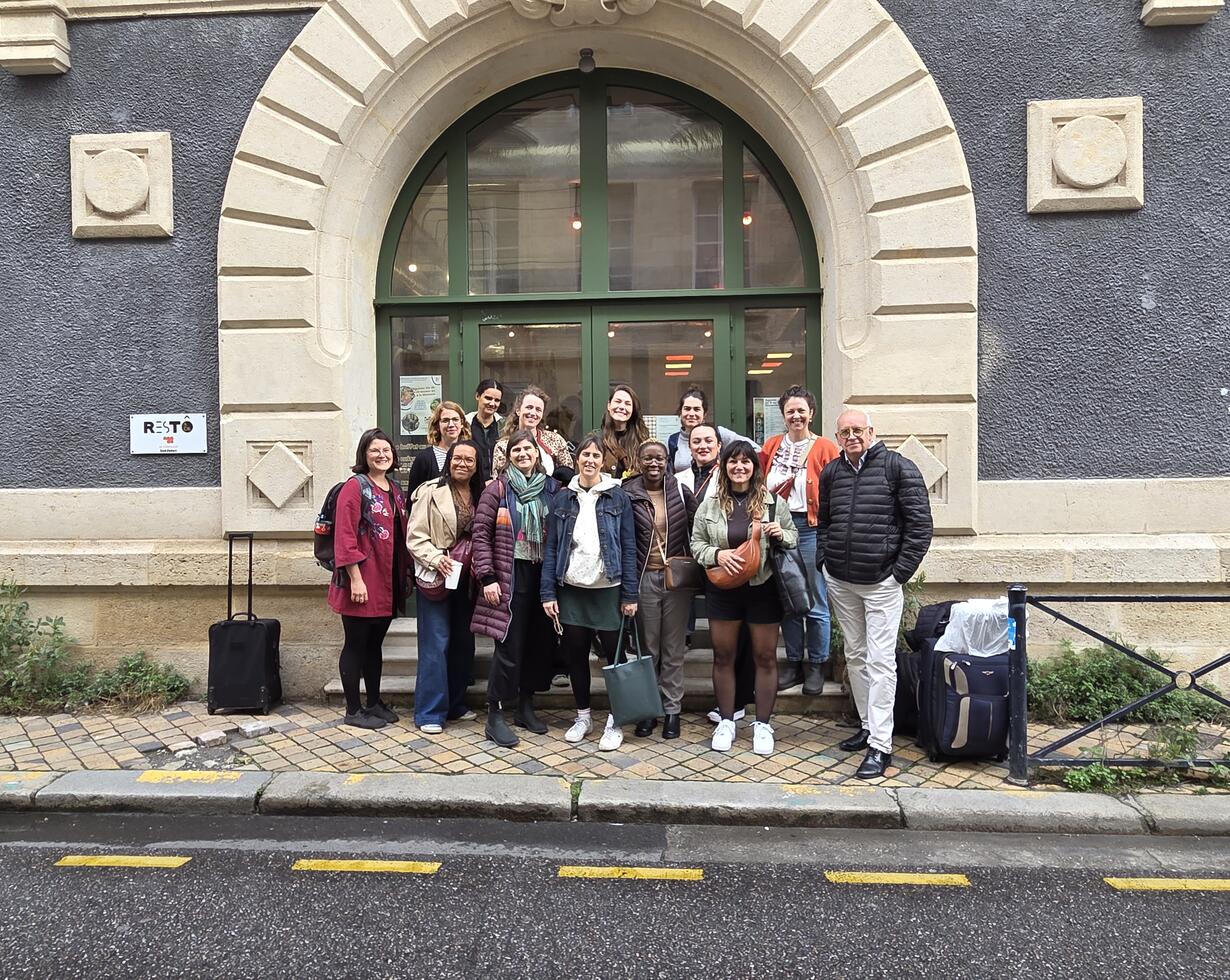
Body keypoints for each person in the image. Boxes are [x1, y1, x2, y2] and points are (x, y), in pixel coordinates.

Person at [818, 409, 934, 779]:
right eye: (844, 431)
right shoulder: (832, 472)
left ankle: (881, 747)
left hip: (882, 583)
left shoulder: (898, 468)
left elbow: (920, 527)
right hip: (841, 579)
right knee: (855, 654)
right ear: (837, 437)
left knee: (881, 661)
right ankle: (869, 727)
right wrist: (825, 560)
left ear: (871, 432)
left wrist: (897, 574)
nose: (851, 436)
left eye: (857, 430)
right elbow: (825, 522)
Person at [691, 440, 797, 756]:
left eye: (745, 462)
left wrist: (780, 533)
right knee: (723, 656)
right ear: (724, 467)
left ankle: (762, 725)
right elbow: (695, 545)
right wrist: (718, 554)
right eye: (733, 462)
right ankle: (727, 721)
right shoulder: (709, 506)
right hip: (723, 590)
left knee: (764, 657)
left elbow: (793, 538)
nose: (739, 467)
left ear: (754, 467)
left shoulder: (773, 503)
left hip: (763, 588)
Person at [541, 434, 639, 751]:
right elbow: (553, 547)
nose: (590, 460)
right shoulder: (562, 499)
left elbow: (628, 547)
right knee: (576, 655)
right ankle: (583, 716)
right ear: (576, 460)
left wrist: (630, 595)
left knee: (615, 658)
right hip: (571, 589)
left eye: (596, 455)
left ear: (602, 462)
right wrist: (548, 593)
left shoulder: (617, 497)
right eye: (585, 455)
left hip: (607, 588)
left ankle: (616, 719)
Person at [471, 429, 561, 748]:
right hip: (509, 575)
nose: (523, 454)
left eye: (528, 449)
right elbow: (480, 535)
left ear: (538, 453)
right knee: (508, 647)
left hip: (542, 575)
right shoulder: (497, 489)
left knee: (537, 644)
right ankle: (495, 715)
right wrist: (487, 577)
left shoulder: (551, 488)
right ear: (509, 456)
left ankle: (525, 706)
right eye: (516, 450)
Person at [327, 428, 410, 730]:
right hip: (361, 580)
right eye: (375, 450)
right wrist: (355, 579)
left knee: (375, 645)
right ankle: (353, 709)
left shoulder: (394, 489)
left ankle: (373, 702)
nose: (382, 455)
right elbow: (345, 536)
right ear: (364, 454)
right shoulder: (355, 486)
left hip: (387, 583)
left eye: (386, 450)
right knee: (355, 644)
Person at [760, 385, 840, 696]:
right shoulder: (771, 446)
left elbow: (835, 489)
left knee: (815, 598)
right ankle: (793, 662)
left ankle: (817, 664)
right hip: (777, 528)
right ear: (783, 415)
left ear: (811, 414)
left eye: (801, 410)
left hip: (810, 529)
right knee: (788, 598)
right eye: (790, 411)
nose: (796, 415)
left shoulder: (825, 448)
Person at [622, 440, 697, 739]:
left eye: (660, 458)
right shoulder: (628, 493)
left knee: (673, 649)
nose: (654, 463)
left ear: (668, 460)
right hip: (643, 580)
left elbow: (700, 525)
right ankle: (647, 711)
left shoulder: (679, 491)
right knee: (647, 651)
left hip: (675, 581)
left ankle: (672, 711)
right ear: (638, 461)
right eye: (648, 458)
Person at [407, 440, 482, 734]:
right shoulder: (430, 491)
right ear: (448, 461)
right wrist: (436, 559)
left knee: (464, 642)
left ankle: (455, 703)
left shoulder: (482, 493)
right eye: (457, 458)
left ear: (477, 466)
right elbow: (415, 537)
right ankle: (429, 711)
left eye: (469, 460)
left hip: (468, 579)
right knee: (435, 643)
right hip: (438, 574)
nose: (462, 464)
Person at [491, 385, 575, 481]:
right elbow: (499, 483)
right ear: (518, 410)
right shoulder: (503, 446)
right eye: (529, 407)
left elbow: (568, 475)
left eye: (538, 410)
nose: (533, 413)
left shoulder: (556, 440)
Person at [669, 387, 758, 474]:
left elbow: (756, 449)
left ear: (704, 414)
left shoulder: (719, 434)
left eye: (697, 409)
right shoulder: (673, 441)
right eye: (687, 409)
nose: (691, 413)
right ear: (680, 412)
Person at [406, 401, 471, 500]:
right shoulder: (424, 459)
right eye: (445, 420)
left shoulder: (471, 455)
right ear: (437, 426)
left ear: (462, 423)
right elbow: (413, 498)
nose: (451, 424)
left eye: (455, 419)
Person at [599, 383, 649, 479]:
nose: (622, 407)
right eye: (618, 401)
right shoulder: (596, 440)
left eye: (627, 404)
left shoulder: (642, 441)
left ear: (633, 410)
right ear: (609, 406)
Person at [466, 379, 504, 482]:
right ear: (477, 396)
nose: (492, 403)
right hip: (470, 485)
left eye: (497, 400)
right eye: (488, 398)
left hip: (498, 487)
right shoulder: (465, 424)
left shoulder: (504, 426)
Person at [676, 422, 722, 504]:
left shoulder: (727, 478)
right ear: (689, 447)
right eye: (696, 442)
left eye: (708, 441)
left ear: (719, 446)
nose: (703, 446)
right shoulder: (677, 479)